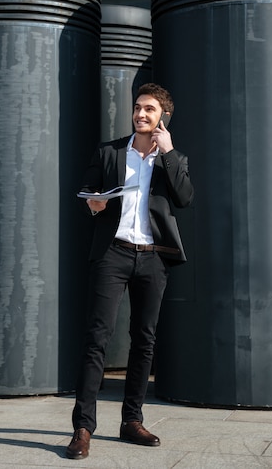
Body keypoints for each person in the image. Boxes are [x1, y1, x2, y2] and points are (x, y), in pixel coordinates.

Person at [66, 83, 194, 460]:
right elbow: (87, 192)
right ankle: (83, 428)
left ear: (163, 117)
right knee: (96, 339)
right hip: (112, 253)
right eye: (137, 107)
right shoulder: (109, 152)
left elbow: (185, 198)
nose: (140, 114)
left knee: (144, 340)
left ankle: (131, 421)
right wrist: (94, 205)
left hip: (153, 257)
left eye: (149, 109)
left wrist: (167, 153)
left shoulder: (174, 158)